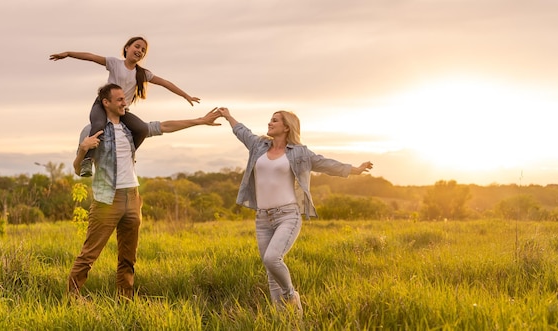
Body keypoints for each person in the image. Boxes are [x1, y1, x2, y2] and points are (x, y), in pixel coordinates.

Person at [68, 83, 219, 300]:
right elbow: (77, 169)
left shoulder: (131, 127)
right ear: (106, 103)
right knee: (89, 255)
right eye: (119, 100)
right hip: (106, 201)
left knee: (128, 258)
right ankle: (72, 299)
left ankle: (125, 300)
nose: (125, 103)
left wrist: (199, 121)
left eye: (124, 98)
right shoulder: (91, 130)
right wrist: (83, 149)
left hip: (132, 196)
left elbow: (164, 126)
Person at [217, 107, 373, 314]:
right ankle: (290, 322)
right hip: (262, 218)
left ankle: (291, 295)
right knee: (271, 276)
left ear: (286, 127)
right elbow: (242, 131)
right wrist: (228, 116)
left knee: (272, 258)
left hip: (287, 216)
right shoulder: (258, 146)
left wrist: (356, 169)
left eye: (275, 120)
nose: (270, 123)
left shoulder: (300, 153)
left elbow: (327, 164)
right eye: (270, 120)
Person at [50, 36, 200, 177]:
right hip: (103, 105)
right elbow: (91, 56)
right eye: (137, 46)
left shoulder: (142, 74)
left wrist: (186, 95)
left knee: (142, 129)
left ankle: (128, 156)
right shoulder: (115, 63)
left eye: (143, 50)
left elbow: (165, 83)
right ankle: (87, 161)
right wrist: (69, 54)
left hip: (121, 110)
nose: (140, 51)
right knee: (98, 125)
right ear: (127, 48)